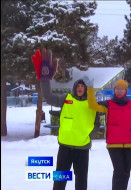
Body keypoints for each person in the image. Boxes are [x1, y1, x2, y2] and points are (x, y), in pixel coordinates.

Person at [31, 49, 100, 190]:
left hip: (82, 148)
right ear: (75, 88)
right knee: (60, 179)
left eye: (83, 86)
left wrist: (90, 135)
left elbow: (97, 123)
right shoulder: (66, 99)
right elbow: (49, 97)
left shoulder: (92, 103)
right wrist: (45, 79)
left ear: (86, 89)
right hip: (65, 147)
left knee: (81, 180)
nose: (80, 88)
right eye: (78, 86)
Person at [87, 79, 131, 190]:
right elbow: (92, 105)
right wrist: (90, 89)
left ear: (126, 91)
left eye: (122, 89)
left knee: (126, 172)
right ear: (114, 90)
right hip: (114, 144)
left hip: (130, 144)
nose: (119, 91)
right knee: (119, 171)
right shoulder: (108, 104)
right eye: (117, 89)